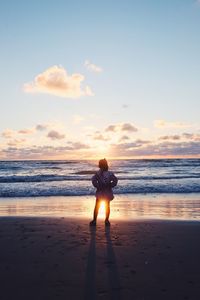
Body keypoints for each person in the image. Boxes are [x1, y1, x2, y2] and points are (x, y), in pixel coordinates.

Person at [90, 158, 118, 226]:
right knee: (107, 206)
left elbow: (93, 180)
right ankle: (106, 220)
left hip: (100, 192)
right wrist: (111, 185)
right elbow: (115, 180)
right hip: (107, 192)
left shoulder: (98, 173)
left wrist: (97, 186)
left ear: (100, 165)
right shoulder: (110, 173)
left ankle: (94, 221)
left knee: (97, 206)